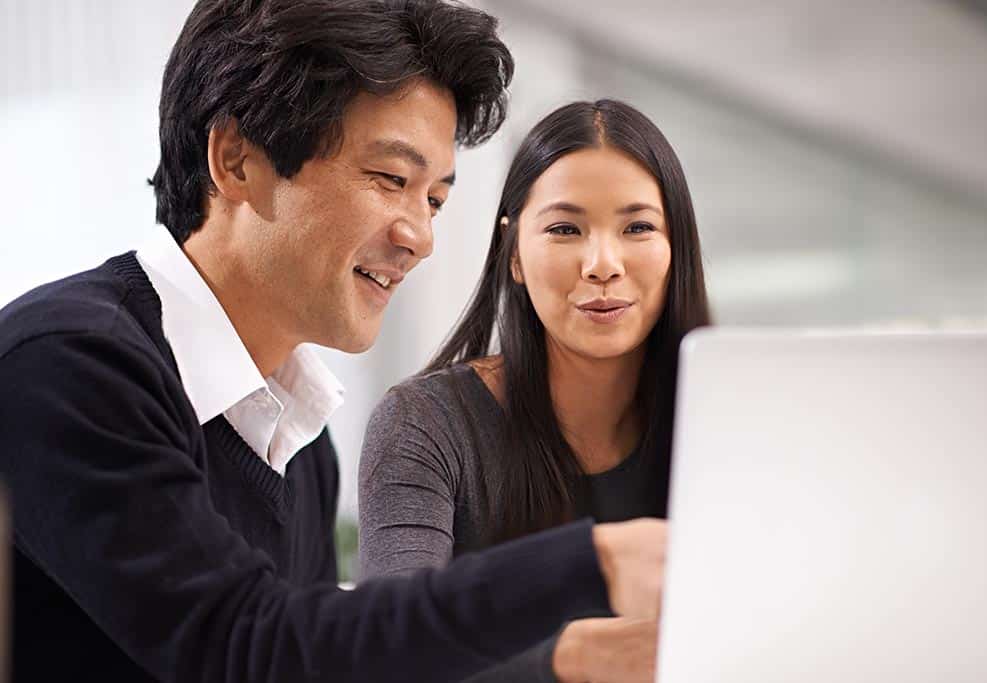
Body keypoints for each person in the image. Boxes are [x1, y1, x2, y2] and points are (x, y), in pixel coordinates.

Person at [0, 4, 669, 682]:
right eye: (390, 180)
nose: (420, 236)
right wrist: (590, 567)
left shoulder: (300, 443)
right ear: (236, 159)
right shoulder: (70, 364)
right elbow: (244, 646)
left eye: (434, 199)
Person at [359, 99, 712, 682]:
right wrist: (569, 662)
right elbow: (390, 656)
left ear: (678, 250)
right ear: (515, 254)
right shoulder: (425, 424)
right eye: (565, 229)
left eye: (639, 227)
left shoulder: (731, 427)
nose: (602, 264)